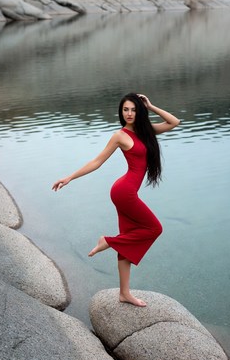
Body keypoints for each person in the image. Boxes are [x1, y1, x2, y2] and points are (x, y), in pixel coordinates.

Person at [52, 93, 180, 307]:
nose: (129, 114)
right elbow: (97, 161)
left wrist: (150, 105)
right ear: (121, 113)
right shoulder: (120, 136)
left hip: (127, 192)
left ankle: (124, 293)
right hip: (124, 193)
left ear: (139, 111)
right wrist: (70, 177)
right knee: (155, 228)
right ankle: (108, 242)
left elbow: (174, 122)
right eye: (125, 110)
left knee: (128, 241)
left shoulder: (146, 130)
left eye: (133, 109)